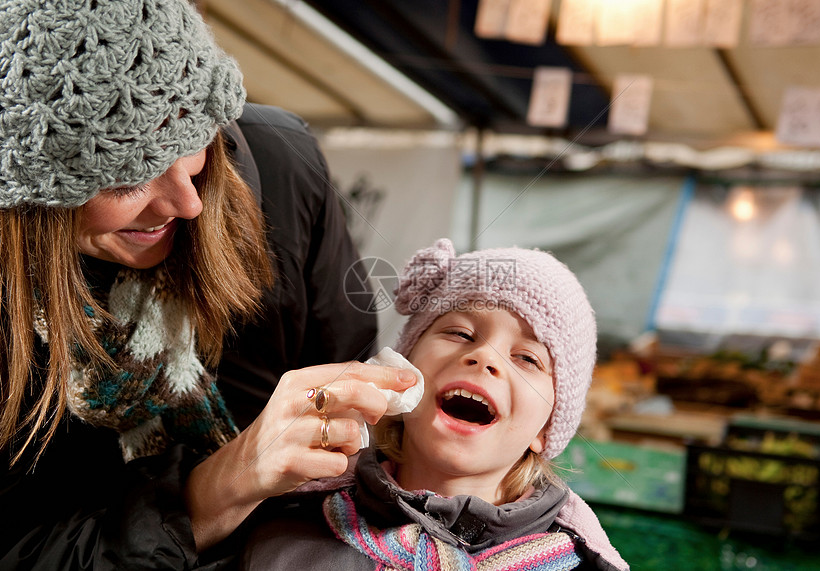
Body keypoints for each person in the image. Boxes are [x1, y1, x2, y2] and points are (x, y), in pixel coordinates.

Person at [0, 1, 416, 568]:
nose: (188, 203)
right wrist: (225, 484)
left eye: (192, 144)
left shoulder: (280, 163)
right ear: (29, 201)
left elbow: (348, 370)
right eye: (127, 177)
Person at [242, 238, 629, 571]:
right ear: (403, 367)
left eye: (528, 358)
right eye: (460, 332)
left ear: (546, 429)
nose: (486, 358)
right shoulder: (283, 525)